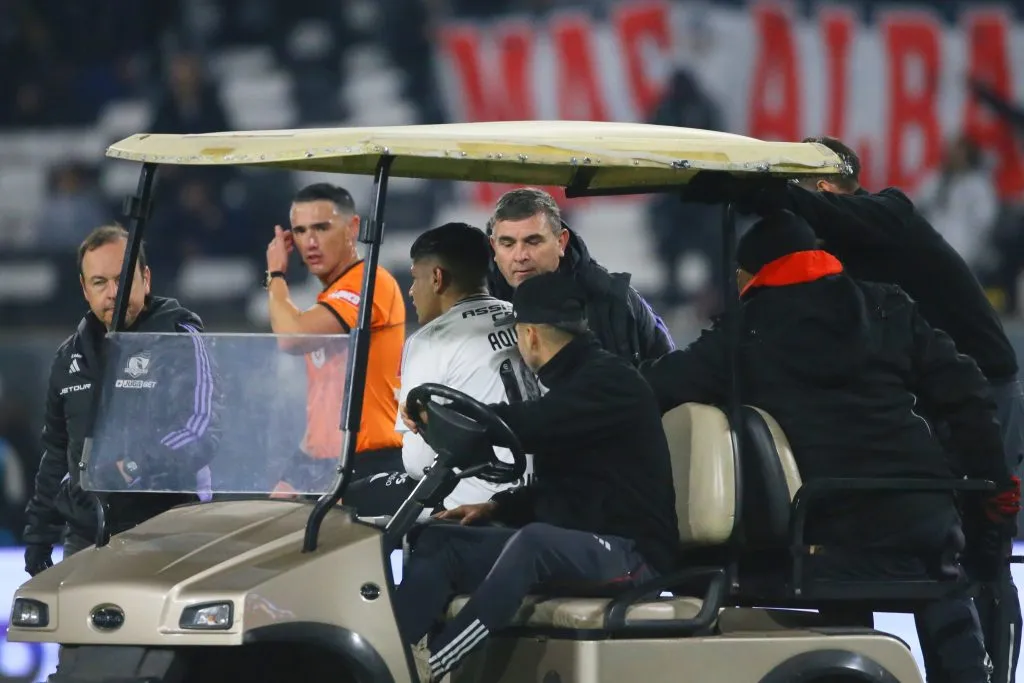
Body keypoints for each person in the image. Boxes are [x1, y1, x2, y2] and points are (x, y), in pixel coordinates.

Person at [684, 137, 1024, 682]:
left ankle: (993, 668)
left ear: (823, 183)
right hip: (924, 388)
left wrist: (766, 192)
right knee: (912, 528)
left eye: (799, 188)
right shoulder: (838, 260)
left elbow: (822, 214)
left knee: (983, 553)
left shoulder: (889, 213)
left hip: (987, 382)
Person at [394, 271, 680, 683]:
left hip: (634, 553)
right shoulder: (573, 385)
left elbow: (530, 425)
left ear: (528, 336)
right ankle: (390, 658)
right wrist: (497, 506)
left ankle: (433, 666)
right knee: (441, 540)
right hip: (581, 540)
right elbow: (565, 483)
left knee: (533, 542)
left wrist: (447, 416)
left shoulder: (610, 381)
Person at [23, 225, 220, 573]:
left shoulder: (178, 338)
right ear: (85, 289)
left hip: (169, 529)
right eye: (99, 282)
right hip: (86, 536)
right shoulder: (69, 358)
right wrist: (40, 534)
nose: (113, 292)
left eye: (123, 279)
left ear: (146, 278)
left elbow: (201, 429)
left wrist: (133, 467)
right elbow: (57, 453)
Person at [343, 223, 539, 516]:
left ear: (437, 278)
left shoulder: (429, 341)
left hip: (471, 500)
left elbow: (418, 463)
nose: (410, 292)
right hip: (532, 490)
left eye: (414, 279)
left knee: (347, 500)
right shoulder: (523, 319)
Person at [265, 183, 405, 496]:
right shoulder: (328, 299)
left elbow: (291, 338)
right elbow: (326, 400)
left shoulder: (370, 284)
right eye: (300, 231)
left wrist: (275, 276)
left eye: (321, 228)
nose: (310, 242)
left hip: (370, 462)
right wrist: (297, 468)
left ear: (352, 228)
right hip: (322, 460)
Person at [486, 187, 674, 365]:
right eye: (508, 244)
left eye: (533, 241)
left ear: (561, 241)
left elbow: (667, 376)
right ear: (494, 247)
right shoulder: (474, 307)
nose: (520, 256)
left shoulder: (615, 300)